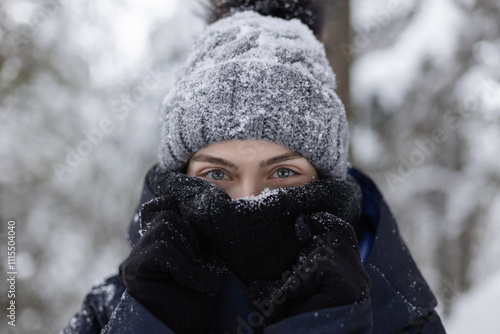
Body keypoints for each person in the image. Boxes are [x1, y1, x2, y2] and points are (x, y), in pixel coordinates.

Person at [62, 1, 446, 333]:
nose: (248, 200)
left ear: (326, 179)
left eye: (282, 173)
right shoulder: (110, 312)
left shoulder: (402, 320)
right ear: (178, 178)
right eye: (217, 175)